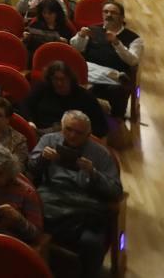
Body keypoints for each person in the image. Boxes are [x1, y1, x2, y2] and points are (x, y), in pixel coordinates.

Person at [30, 110, 123, 278]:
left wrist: (93, 173)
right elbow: (31, 170)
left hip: (83, 205)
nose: (72, 136)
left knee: (92, 244)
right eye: (68, 130)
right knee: (22, 223)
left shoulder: (100, 154)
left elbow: (115, 191)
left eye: (79, 133)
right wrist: (43, 159)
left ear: (88, 134)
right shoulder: (49, 140)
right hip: (51, 198)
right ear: (61, 128)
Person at [70, 1, 142, 117]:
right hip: (90, 72)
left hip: (112, 79)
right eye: (106, 12)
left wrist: (117, 43)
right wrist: (81, 36)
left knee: (114, 89)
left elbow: (133, 61)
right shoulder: (93, 29)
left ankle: (112, 123)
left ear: (122, 17)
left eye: (113, 13)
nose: (109, 15)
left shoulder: (134, 39)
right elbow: (75, 48)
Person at [23, 61, 108, 137]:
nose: (59, 83)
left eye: (63, 79)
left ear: (70, 79)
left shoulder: (85, 96)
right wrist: (30, 122)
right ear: (50, 79)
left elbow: (101, 127)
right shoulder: (43, 88)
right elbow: (25, 105)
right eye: (55, 79)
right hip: (41, 132)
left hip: (72, 138)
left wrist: (81, 133)